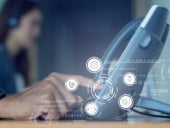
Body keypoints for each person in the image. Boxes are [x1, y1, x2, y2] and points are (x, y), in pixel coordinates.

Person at [0, 0, 97, 120]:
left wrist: (35, 91)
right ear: (13, 21)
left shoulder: (16, 61)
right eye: (33, 23)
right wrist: (14, 104)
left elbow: (10, 93)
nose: (38, 32)